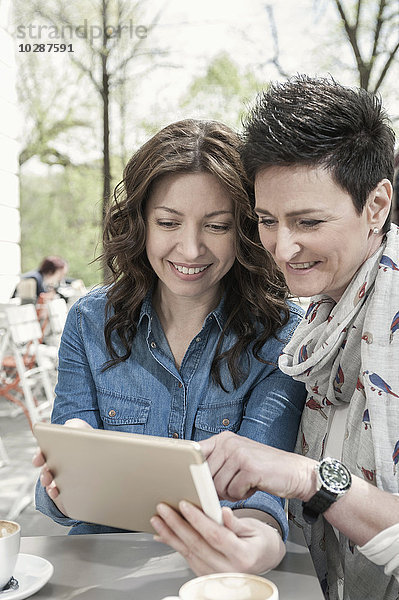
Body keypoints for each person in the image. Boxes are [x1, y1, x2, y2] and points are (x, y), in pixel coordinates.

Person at [151, 78, 399, 600]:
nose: (283, 249)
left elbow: (305, 477)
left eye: (308, 221)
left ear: (376, 204)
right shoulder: (319, 324)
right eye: (267, 221)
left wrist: (309, 478)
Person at [34, 119, 306, 568]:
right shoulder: (89, 320)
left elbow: (263, 496)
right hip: (103, 566)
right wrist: (66, 469)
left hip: (216, 569)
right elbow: (61, 494)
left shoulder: (281, 332)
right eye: (168, 222)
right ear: (140, 222)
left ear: (243, 229)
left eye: (216, 226)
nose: (191, 248)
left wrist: (257, 542)